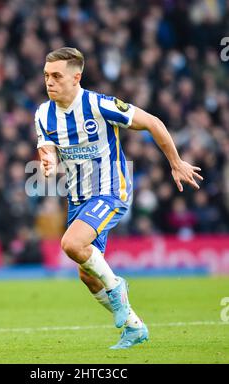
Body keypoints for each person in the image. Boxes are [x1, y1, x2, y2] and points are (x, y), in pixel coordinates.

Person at [35, 48, 203, 349]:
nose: (50, 82)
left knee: (72, 244)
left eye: (57, 76)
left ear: (76, 77)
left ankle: (117, 287)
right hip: (77, 198)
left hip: (110, 190)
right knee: (87, 276)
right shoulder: (43, 113)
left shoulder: (99, 105)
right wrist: (47, 162)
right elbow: (47, 147)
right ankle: (134, 326)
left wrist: (176, 162)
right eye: (47, 75)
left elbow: (153, 122)